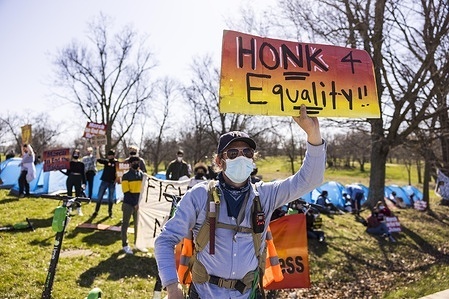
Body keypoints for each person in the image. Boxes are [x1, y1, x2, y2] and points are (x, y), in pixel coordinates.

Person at [154, 105, 326, 299]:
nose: (241, 157)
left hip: (248, 294)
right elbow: (165, 240)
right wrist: (172, 286)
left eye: (247, 153)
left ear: (253, 160)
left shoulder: (265, 195)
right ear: (219, 162)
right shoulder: (199, 195)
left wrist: (313, 133)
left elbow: (310, 179)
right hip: (203, 294)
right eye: (233, 154)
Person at [121, 156, 144, 255]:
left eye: (137, 162)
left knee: (137, 225)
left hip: (138, 204)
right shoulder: (126, 175)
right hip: (128, 203)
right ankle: (125, 245)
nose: (136, 163)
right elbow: (126, 192)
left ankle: (137, 243)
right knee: (125, 224)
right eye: (134, 162)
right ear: (130, 164)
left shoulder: (141, 175)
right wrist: (134, 203)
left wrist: (139, 203)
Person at [60, 149, 86, 215]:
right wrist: (60, 170)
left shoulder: (81, 164)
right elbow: (67, 173)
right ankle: (69, 209)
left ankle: (78, 209)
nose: (76, 155)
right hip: (70, 179)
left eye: (77, 154)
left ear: (79, 155)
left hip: (78, 179)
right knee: (69, 194)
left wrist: (84, 183)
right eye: (75, 154)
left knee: (78, 194)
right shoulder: (70, 163)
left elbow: (83, 174)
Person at [92, 149, 118, 218]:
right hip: (104, 181)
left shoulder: (116, 163)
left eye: (111, 155)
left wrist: (117, 180)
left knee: (111, 198)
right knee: (99, 196)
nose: (109, 156)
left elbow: (119, 172)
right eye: (109, 155)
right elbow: (99, 159)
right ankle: (96, 211)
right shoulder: (106, 162)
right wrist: (97, 149)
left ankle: (110, 212)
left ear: (113, 156)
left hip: (112, 182)